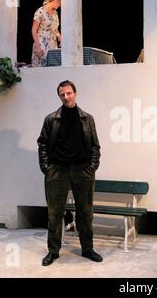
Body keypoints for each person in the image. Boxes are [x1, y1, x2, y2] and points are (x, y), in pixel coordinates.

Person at [37, 80, 103, 266]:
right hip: (57, 171)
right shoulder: (51, 119)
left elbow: (95, 146)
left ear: (75, 93)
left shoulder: (87, 119)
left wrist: (92, 166)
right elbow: (42, 143)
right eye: (62, 94)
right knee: (54, 214)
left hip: (82, 170)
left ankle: (88, 249)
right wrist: (46, 168)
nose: (66, 97)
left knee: (85, 213)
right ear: (59, 96)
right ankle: (53, 252)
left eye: (68, 93)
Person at [31, 0, 62, 67]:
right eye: (59, 1)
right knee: (41, 71)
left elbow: (54, 28)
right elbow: (34, 30)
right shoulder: (40, 11)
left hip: (53, 46)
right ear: (54, 0)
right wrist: (38, 47)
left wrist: (59, 36)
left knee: (53, 70)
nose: (60, 4)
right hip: (41, 46)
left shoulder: (55, 13)